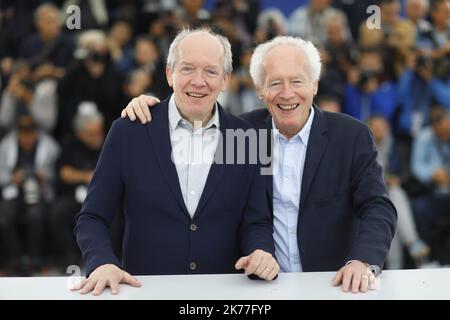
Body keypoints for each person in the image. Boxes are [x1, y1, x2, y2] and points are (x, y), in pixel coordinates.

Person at [122, 35, 397, 293]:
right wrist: (151, 109)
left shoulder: (351, 136)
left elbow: (377, 206)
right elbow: (191, 134)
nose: (287, 94)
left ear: (314, 84)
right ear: (260, 90)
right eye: (275, 83)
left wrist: (362, 261)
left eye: (297, 82)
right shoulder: (242, 134)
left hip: (332, 283)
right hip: (258, 287)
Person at [73, 28, 278, 296]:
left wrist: (261, 251)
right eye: (187, 69)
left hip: (222, 296)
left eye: (211, 71)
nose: (198, 81)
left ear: (225, 79)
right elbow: (92, 217)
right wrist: (101, 263)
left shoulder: (249, 138)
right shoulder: (130, 131)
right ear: (170, 74)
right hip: (146, 292)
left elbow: (257, 222)